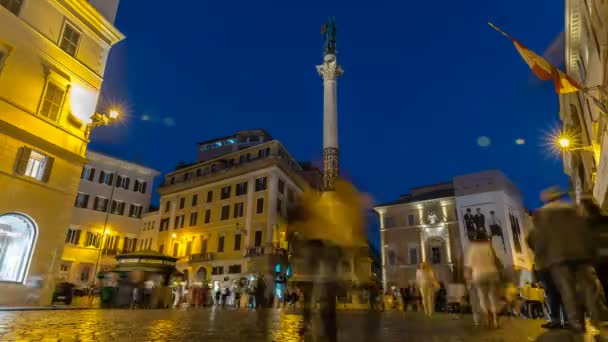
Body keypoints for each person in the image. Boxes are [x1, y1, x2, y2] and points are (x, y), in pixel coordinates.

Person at [531, 186, 597, 333]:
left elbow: (541, 239)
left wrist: (540, 257)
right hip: (580, 254)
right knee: (586, 288)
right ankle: (596, 318)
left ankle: (576, 323)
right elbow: (584, 229)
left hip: (558, 257)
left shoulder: (541, 213)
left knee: (568, 290)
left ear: (546, 199)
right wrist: (590, 250)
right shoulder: (573, 208)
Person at [465, 229, 501, 328]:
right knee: (493, 297)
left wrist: (468, 279)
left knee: (482, 298)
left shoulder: (472, 248)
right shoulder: (489, 245)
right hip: (492, 273)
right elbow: (495, 259)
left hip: (479, 274)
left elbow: (468, 265)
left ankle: (487, 316)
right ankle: (495, 319)